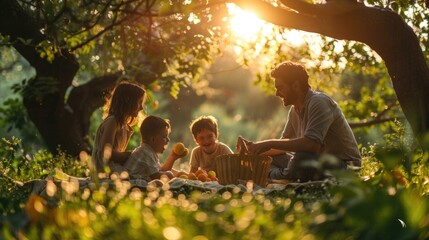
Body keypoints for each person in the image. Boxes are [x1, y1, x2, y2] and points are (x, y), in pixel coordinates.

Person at [243, 61, 361, 182]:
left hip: (344, 166)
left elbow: (312, 144)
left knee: (301, 157)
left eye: (280, 88)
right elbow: (283, 145)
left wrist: (268, 143)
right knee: (269, 157)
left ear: (295, 85)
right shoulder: (294, 110)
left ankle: (271, 175)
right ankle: (278, 174)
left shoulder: (319, 102)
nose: (277, 93)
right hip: (315, 161)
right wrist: (255, 151)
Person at [91, 82, 146, 178]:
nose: (141, 107)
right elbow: (106, 152)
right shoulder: (112, 122)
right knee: (140, 176)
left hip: (114, 168)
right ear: (128, 101)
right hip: (105, 170)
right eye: (139, 103)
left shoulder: (124, 125)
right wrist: (130, 155)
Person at [124, 115, 187, 180]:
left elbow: (160, 171)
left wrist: (172, 157)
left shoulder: (149, 152)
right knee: (164, 179)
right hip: (132, 182)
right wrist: (169, 175)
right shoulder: (145, 153)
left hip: (138, 180)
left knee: (168, 175)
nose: (168, 140)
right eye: (164, 137)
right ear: (153, 140)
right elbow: (156, 176)